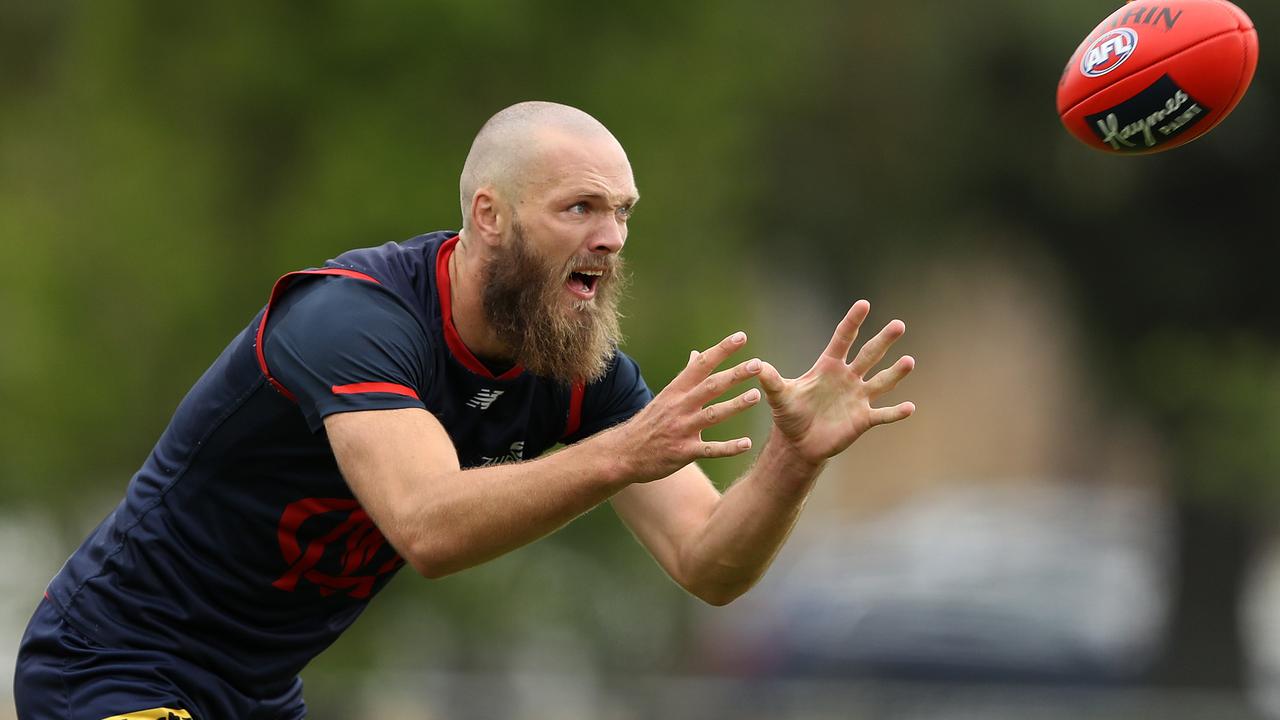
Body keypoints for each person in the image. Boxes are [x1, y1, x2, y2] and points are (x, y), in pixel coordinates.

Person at [13, 101, 916, 719]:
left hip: (257, 693)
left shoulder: (579, 370)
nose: (611, 235)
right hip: (112, 664)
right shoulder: (351, 319)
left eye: (624, 213)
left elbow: (709, 563)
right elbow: (428, 527)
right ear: (491, 215)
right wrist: (617, 456)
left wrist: (793, 461)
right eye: (581, 207)